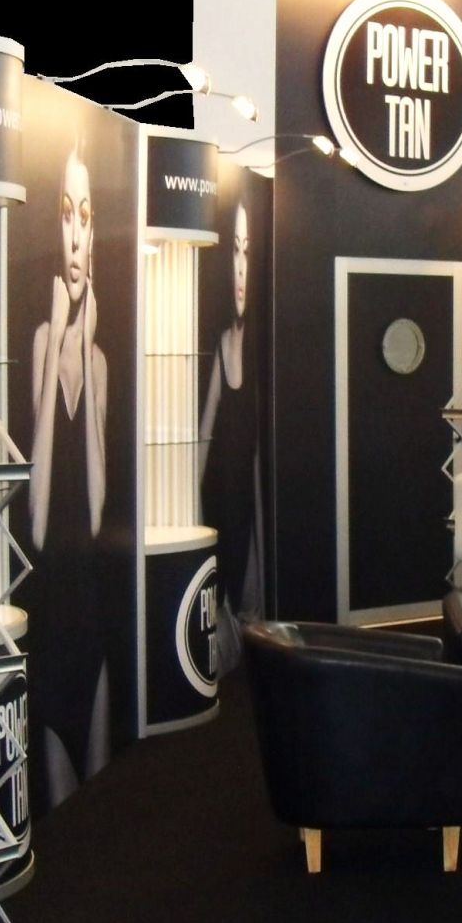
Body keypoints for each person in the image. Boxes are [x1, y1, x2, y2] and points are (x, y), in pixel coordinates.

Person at [27, 140, 110, 808]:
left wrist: (82, 348)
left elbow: (98, 505)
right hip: (51, 612)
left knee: (104, 800)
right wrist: (57, 342)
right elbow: (36, 517)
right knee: (61, 806)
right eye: (65, 214)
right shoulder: (40, 341)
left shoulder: (101, 361)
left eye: (86, 215)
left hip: (94, 606)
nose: (77, 234)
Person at [198, 199, 259, 670]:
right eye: (233, 252)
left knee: (244, 586)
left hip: (248, 503)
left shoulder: (258, 346)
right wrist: (189, 503)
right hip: (220, 498)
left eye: (247, 252)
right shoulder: (220, 346)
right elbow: (202, 437)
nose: (241, 267)